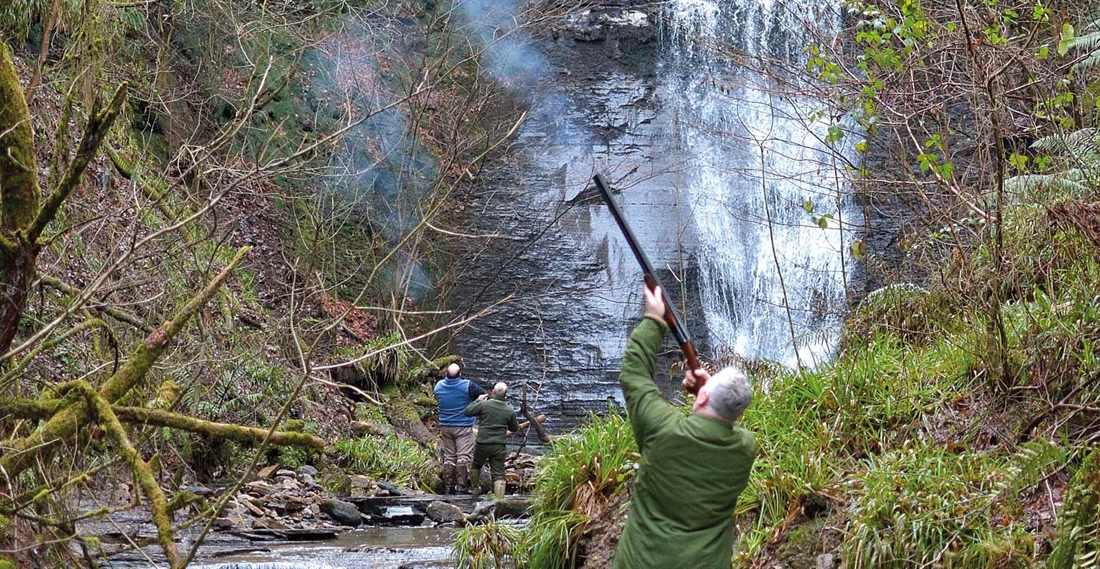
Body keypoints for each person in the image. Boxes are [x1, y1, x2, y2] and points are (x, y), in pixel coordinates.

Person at [611, 285, 758, 569]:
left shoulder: (662, 429)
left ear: (703, 396)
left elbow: (633, 374)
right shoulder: (744, 449)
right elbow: (725, 422)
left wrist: (654, 320)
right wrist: (707, 397)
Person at [434, 363, 486, 494]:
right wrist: (476, 401)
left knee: (450, 456)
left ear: (446, 374)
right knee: (463, 456)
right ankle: (461, 487)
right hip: (463, 426)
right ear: (460, 374)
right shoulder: (467, 385)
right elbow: (483, 395)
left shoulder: (438, 386)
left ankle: (449, 486)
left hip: (445, 426)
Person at [464, 382, 519, 499]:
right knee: (499, 473)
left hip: (482, 442)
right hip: (499, 445)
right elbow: (514, 428)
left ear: (493, 391)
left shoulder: (484, 405)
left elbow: (467, 411)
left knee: (476, 465)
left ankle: (474, 489)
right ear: (505, 394)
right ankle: (499, 501)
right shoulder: (509, 410)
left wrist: (478, 401)